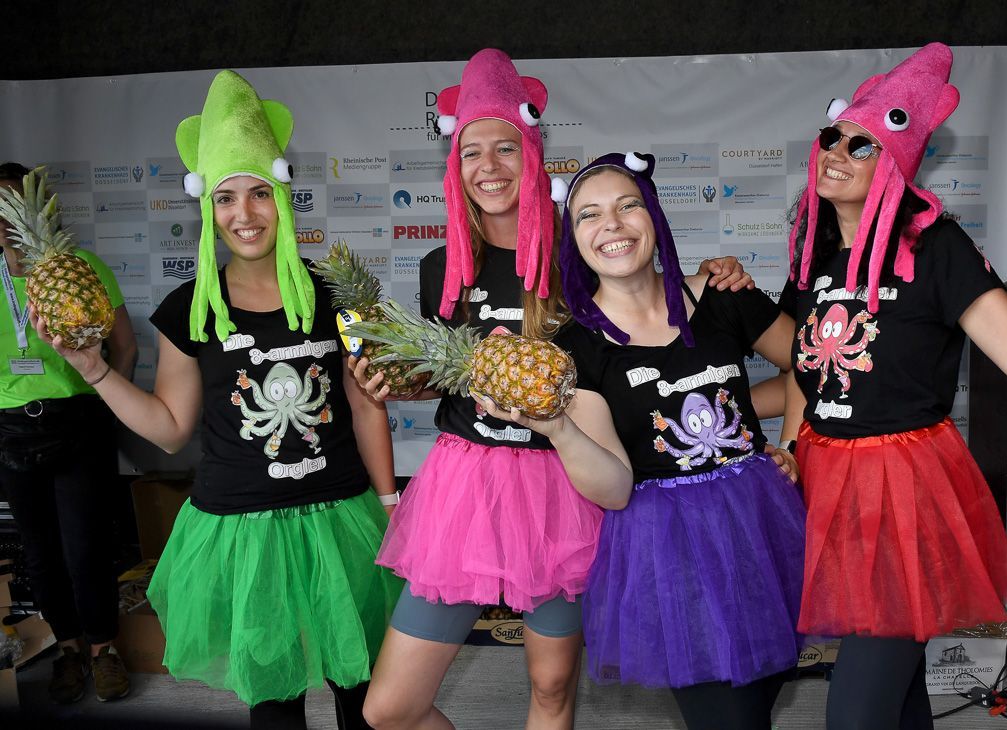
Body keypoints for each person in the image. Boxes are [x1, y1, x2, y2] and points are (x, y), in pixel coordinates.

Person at [357, 51, 751, 730]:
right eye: (471, 151)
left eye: (506, 147)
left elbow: (650, 320)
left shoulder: (580, 252)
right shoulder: (441, 264)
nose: (489, 166)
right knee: (390, 709)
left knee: (550, 688)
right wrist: (398, 382)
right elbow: (450, 374)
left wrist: (717, 275)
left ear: (533, 151)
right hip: (465, 488)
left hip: (563, 487)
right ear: (454, 165)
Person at [777, 43, 1007, 730]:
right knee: (899, 698)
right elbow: (805, 369)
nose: (837, 152)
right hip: (829, 487)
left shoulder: (936, 247)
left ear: (897, 164)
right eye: (832, 137)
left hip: (901, 496)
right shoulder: (814, 254)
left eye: (862, 145)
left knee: (855, 714)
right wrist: (791, 445)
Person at [33, 71, 399, 729]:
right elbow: (170, 427)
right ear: (207, 208)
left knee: (365, 695)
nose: (244, 214)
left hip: (340, 519)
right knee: (275, 704)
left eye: (259, 193)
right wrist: (95, 370)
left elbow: (365, 403)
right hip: (242, 531)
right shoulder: (190, 308)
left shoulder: (333, 295)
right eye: (226, 197)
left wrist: (390, 502)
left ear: (283, 196)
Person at [480, 152, 806, 730]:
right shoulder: (577, 348)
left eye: (628, 205)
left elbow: (815, 368)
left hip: (761, 528)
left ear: (653, 216)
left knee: (757, 704)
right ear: (572, 239)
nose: (612, 223)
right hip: (671, 550)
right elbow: (614, 488)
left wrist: (792, 444)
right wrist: (558, 428)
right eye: (589, 214)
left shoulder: (723, 295)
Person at [0, 161, 137, 704]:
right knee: (39, 552)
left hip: (79, 420)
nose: (6, 217)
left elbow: (124, 345)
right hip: (11, 429)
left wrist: (111, 404)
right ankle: (68, 648)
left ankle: (105, 649)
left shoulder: (80, 268)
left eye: (14, 203)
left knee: (86, 545)